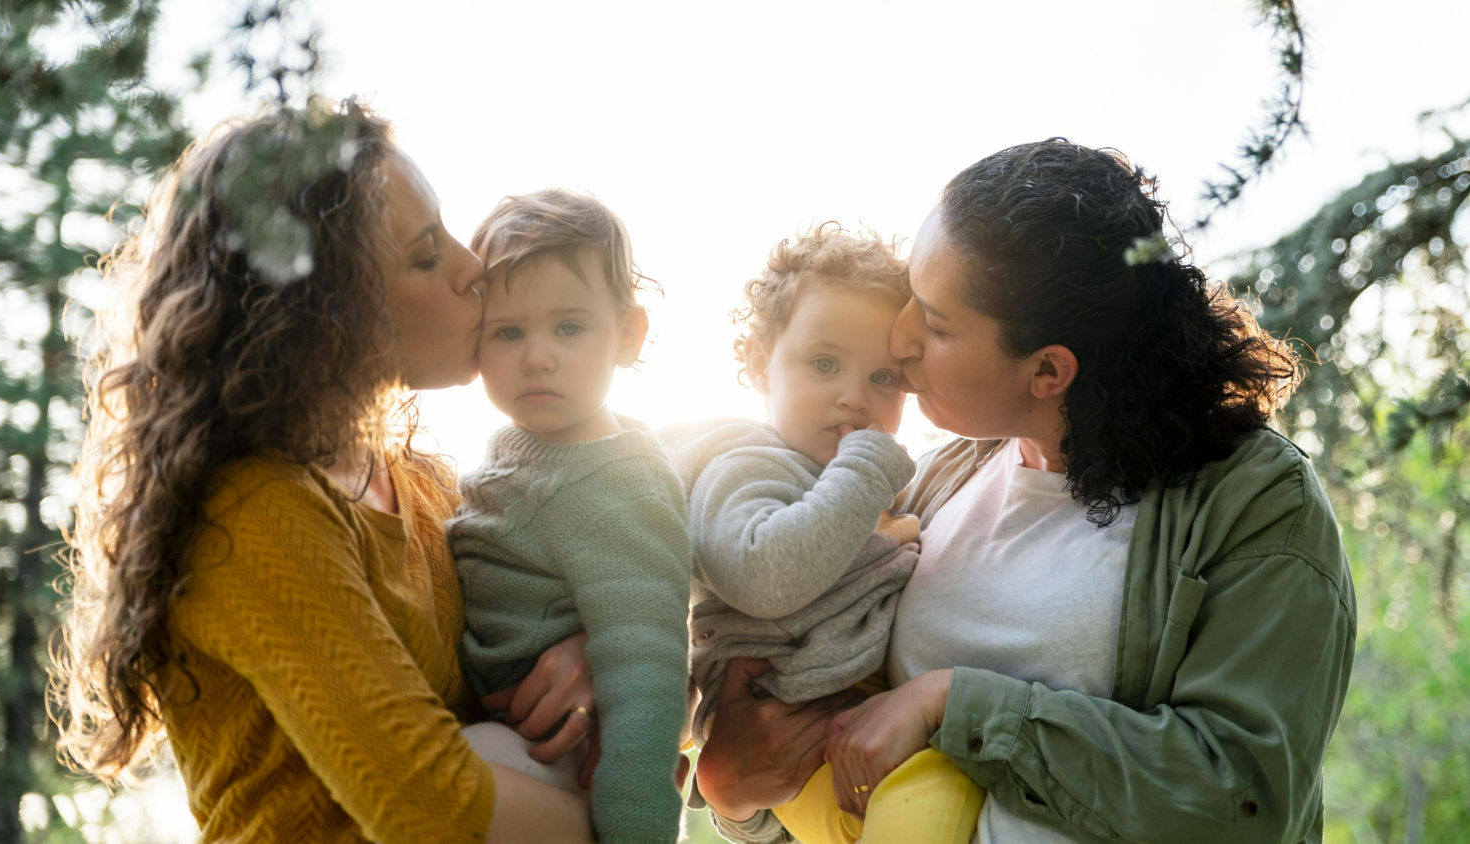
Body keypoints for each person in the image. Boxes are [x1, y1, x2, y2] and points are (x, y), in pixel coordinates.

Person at [694, 139, 1356, 844]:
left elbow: (1243, 798)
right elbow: (831, 762)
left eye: (937, 323)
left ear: (1047, 371)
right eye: (912, 296)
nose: (901, 336)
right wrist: (740, 798)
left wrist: (956, 705)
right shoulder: (935, 483)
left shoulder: (1255, 504)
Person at [57, 100, 599, 843]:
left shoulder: (425, 485)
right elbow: (430, 802)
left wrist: (589, 661)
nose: (476, 269)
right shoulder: (253, 513)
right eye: (424, 254)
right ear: (325, 312)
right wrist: (624, 819)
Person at [663, 224, 982, 844]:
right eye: (825, 364)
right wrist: (866, 468)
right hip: (804, 739)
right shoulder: (746, 462)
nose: (854, 399)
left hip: (840, 733)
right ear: (759, 362)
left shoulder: (850, 487)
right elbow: (761, 574)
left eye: (885, 378)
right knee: (935, 794)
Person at [449, 189, 691, 844]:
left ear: (628, 334)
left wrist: (635, 832)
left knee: (449, 780)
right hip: (510, 738)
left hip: (567, 767)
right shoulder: (516, 450)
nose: (537, 356)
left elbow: (647, 682)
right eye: (508, 331)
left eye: (568, 327)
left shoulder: (619, 484)